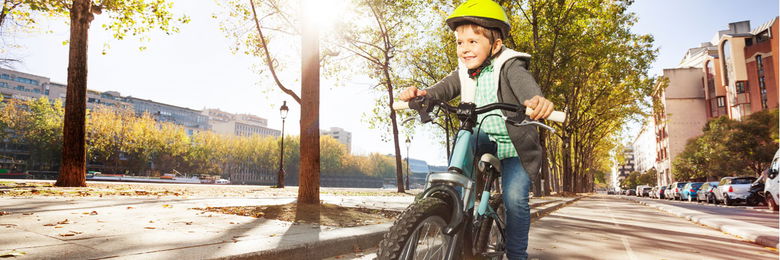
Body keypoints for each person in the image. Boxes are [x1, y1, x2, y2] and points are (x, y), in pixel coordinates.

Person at [398, 0, 554, 259]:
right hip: (483, 139)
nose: (465, 49)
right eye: (460, 42)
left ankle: (517, 255)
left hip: (515, 147)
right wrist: (423, 94)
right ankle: (455, 206)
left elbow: (525, 86)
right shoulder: (464, 70)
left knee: (515, 200)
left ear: (495, 45)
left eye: (473, 41)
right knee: (465, 136)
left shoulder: (509, 65)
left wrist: (536, 101)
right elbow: (445, 87)